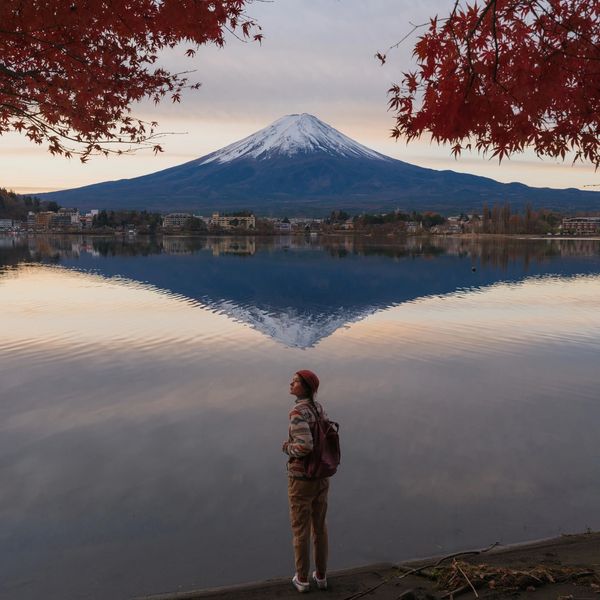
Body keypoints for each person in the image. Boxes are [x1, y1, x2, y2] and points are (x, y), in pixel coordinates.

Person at [282, 369, 329, 593]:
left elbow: (305, 445)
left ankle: (301, 579)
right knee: (319, 528)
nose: (291, 383)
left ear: (306, 387)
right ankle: (321, 576)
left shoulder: (297, 412)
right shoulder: (318, 408)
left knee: (300, 529)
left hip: (302, 478)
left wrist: (287, 447)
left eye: (296, 381)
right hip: (321, 476)